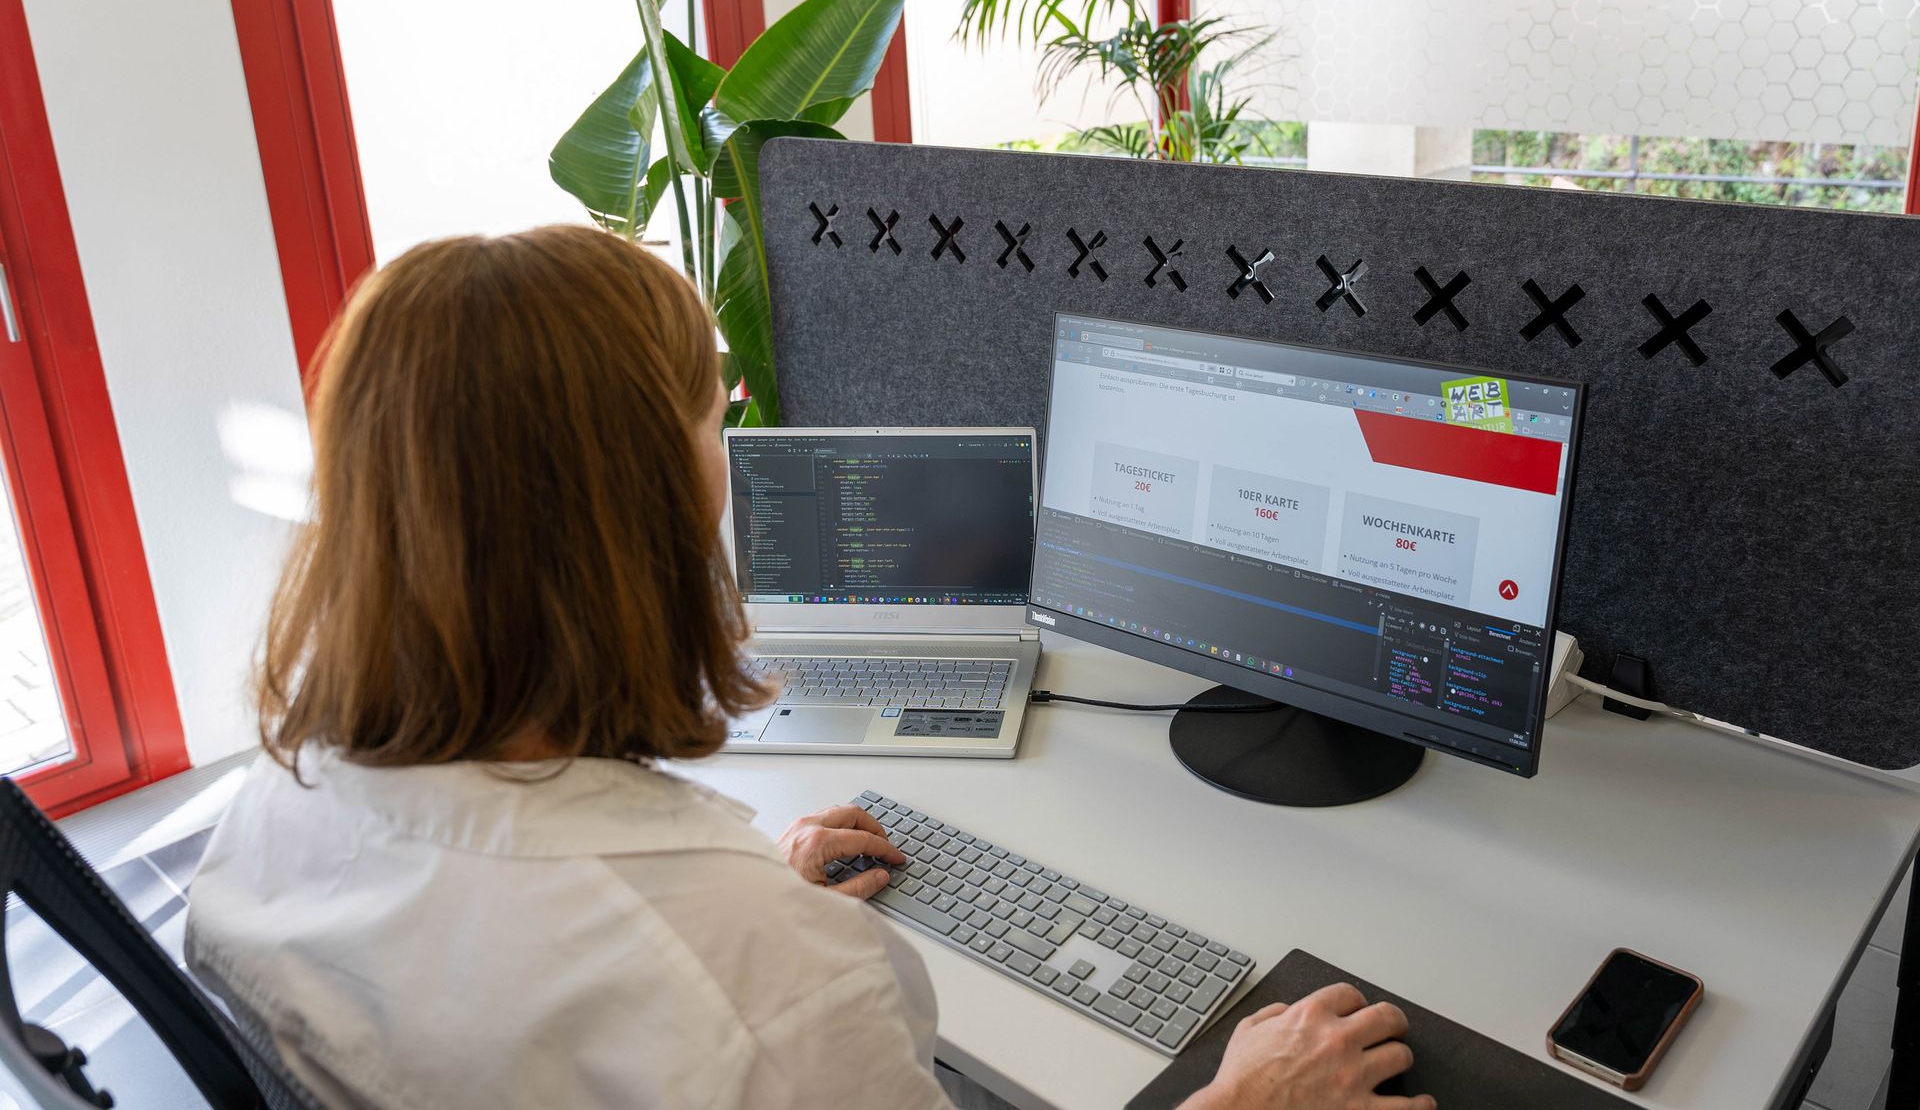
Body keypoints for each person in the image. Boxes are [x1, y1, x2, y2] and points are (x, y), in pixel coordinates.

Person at [185, 226, 1433, 1110]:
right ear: (650, 501)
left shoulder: (269, 811)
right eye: (712, 420)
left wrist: (735, 902)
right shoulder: (772, 989)